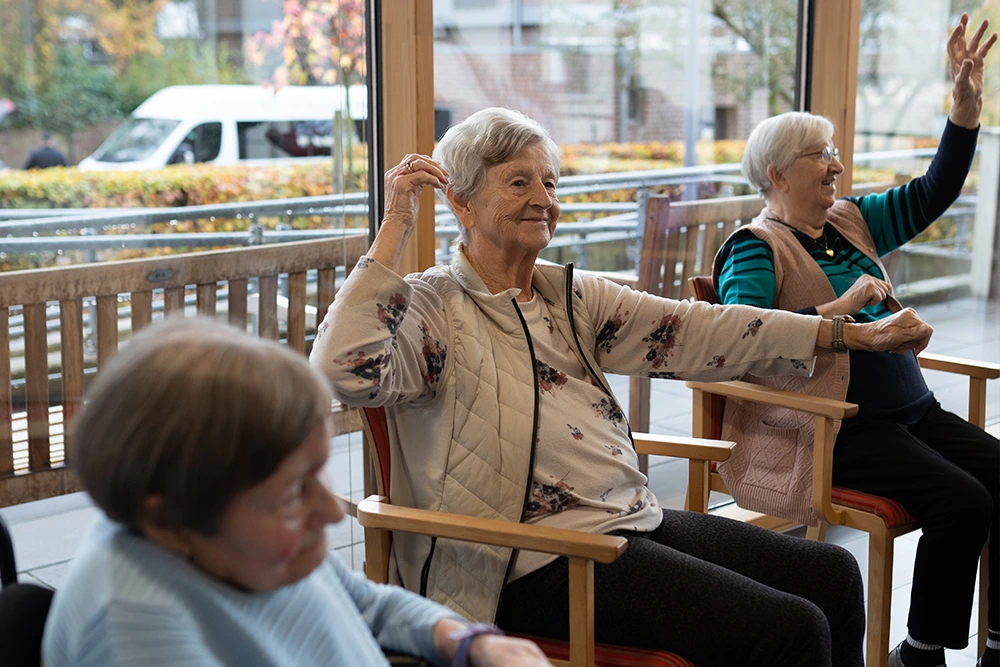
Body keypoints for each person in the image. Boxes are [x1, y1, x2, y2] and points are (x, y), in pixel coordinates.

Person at [311, 103, 937, 666]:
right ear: (463, 204)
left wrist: (846, 335)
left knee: (831, 573)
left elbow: (697, 329)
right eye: (518, 181)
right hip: (526, 561)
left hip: (624, 521)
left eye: (549, 182)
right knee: (790, 628)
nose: (541, 197)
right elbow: (340, 368)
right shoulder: (432, 310)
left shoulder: (568, 294)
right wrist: (396, 224)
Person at [714, 14, 997, 667]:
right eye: (822, 156)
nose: (837, 164)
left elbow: (933, 192)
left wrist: (965, 110)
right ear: (779, 174)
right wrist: (844, 310)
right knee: (963, 499)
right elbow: (744, 335)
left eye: (835, 152)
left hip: (912, 413)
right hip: (839, 429)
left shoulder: (850, 219)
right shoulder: (755, 247)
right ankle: (918, 652)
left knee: (999, 475)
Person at [42, 318, 550, 667]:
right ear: (169, 519)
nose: (331, 512)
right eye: (290, 494)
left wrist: (471, 643)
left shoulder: (254, 550)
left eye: (319, 473)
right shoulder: (134, 629)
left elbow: (365, 604)